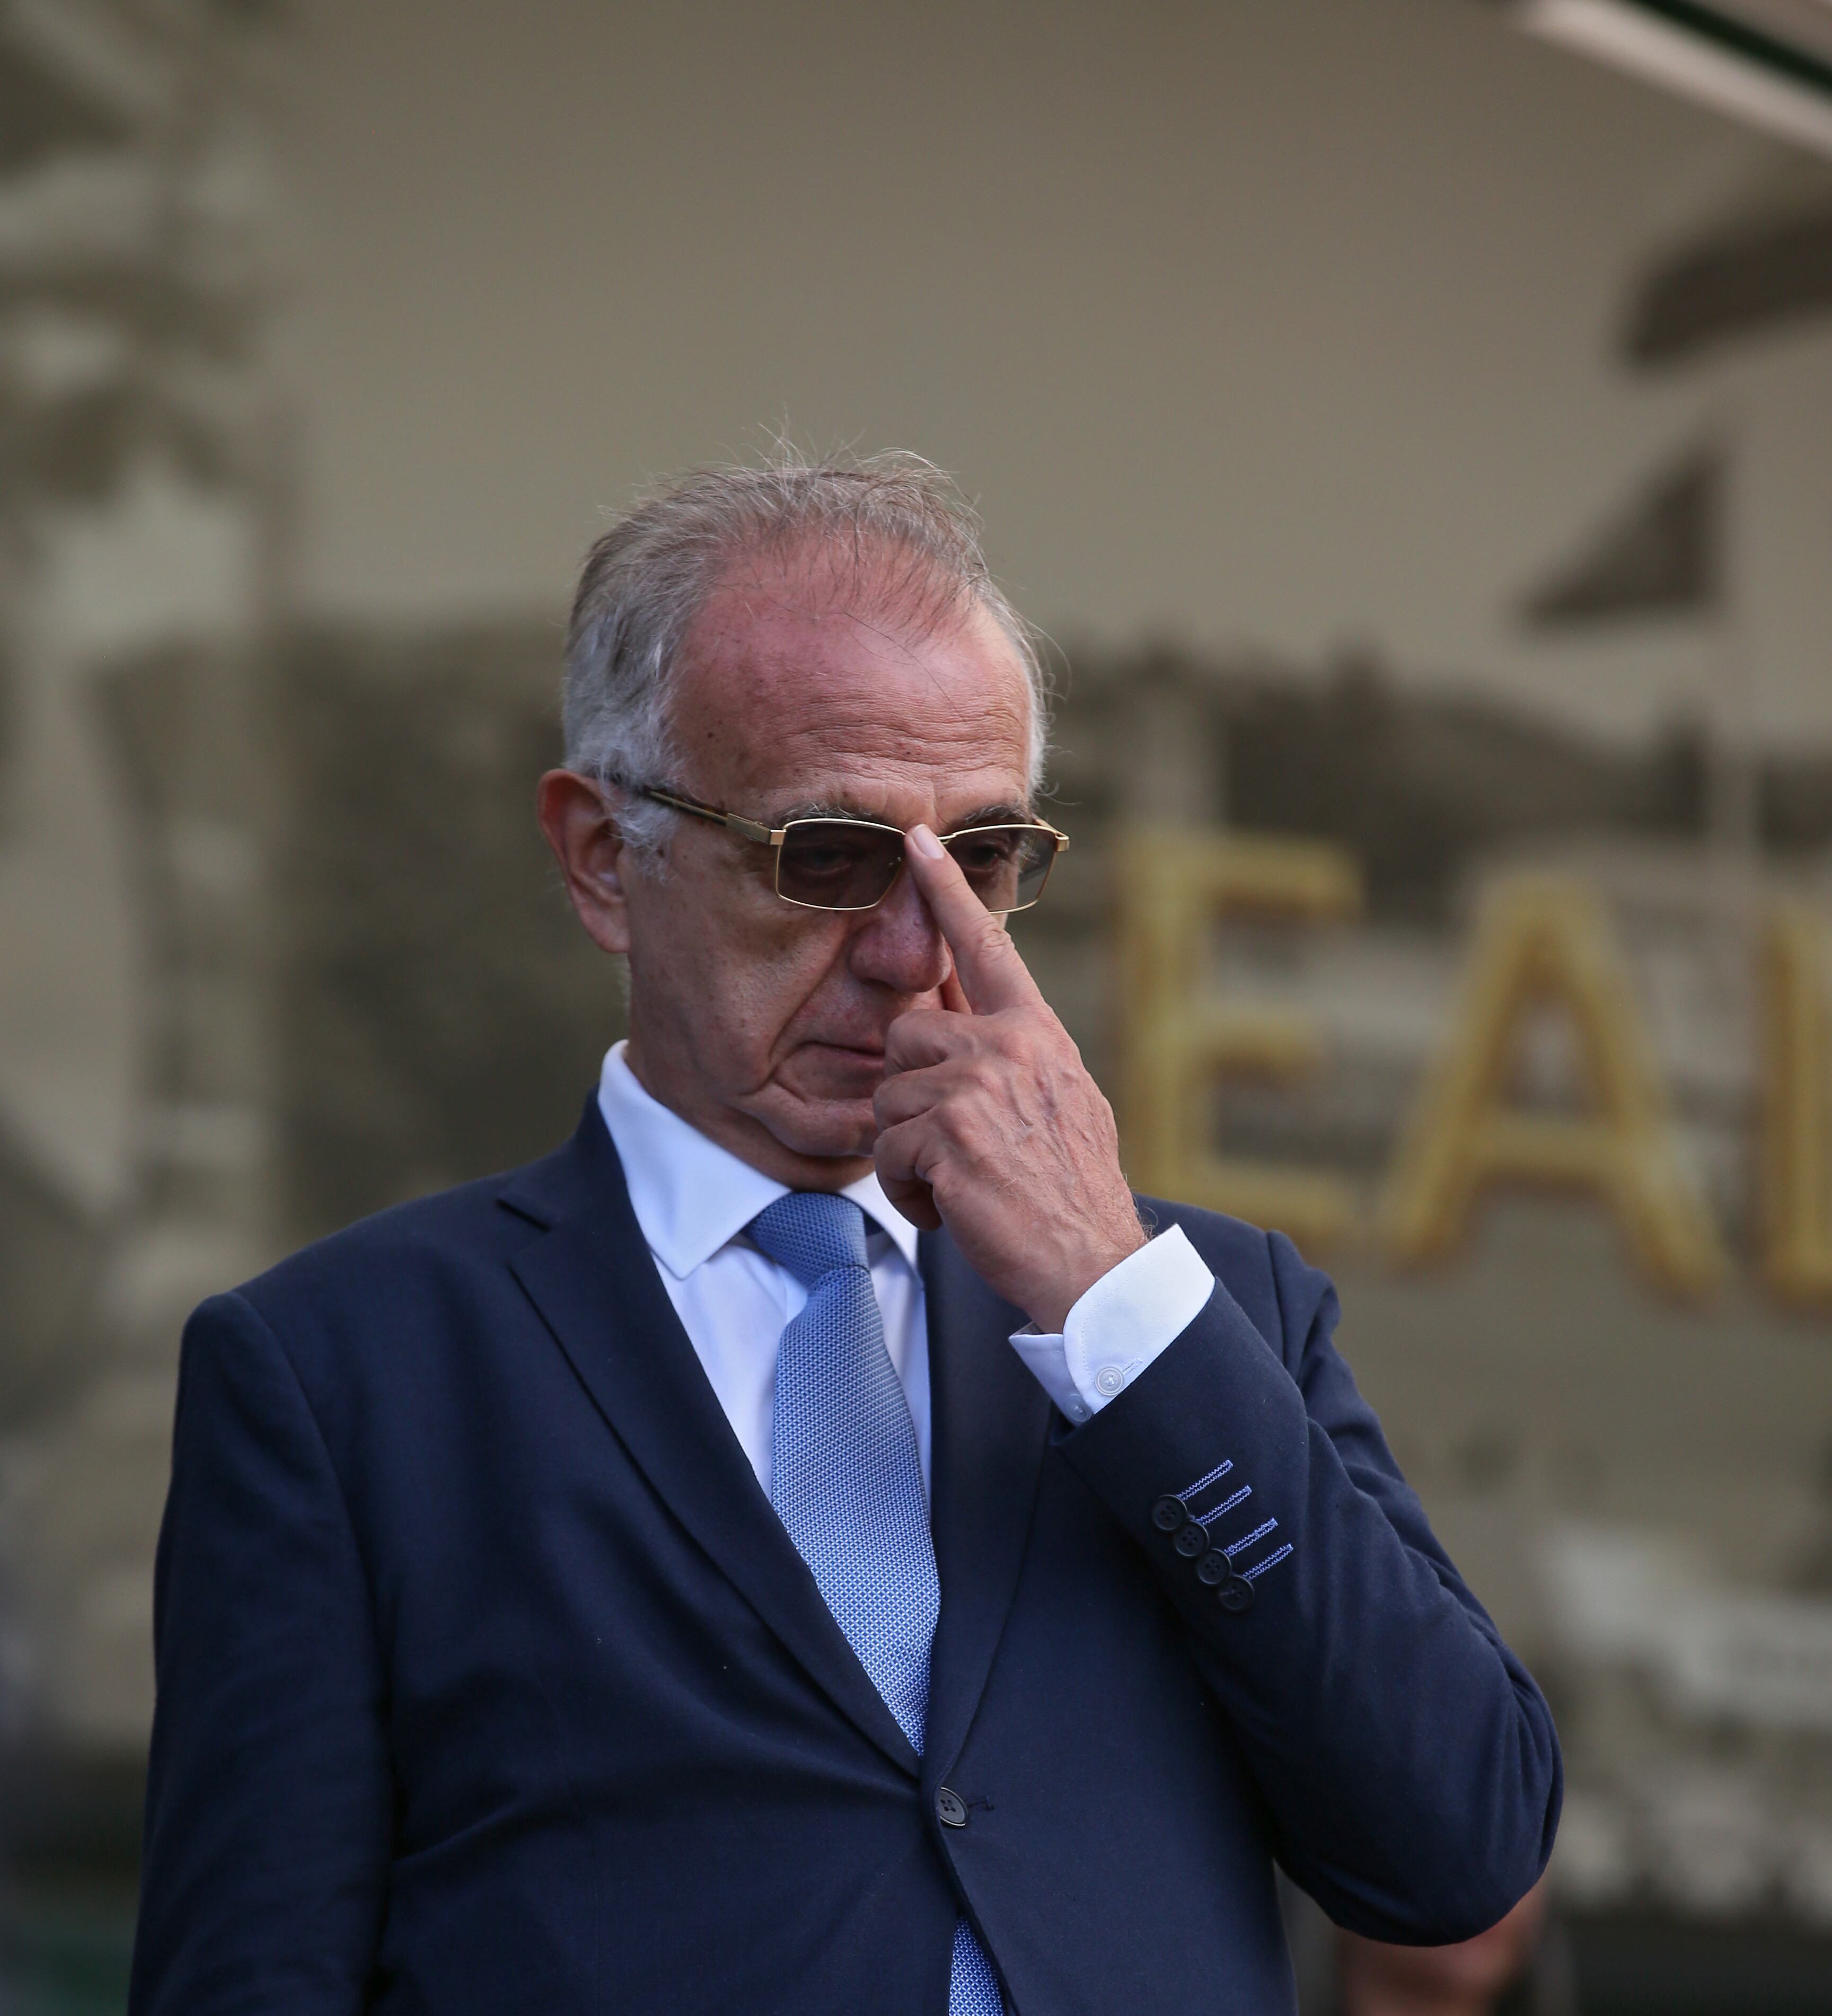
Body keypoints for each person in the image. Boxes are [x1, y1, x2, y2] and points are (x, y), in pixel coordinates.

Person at [129, 455, 1560, 2015]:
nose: (912, 952)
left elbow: (1459, 1844)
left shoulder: (1198, 1319)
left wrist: (1114, 1302)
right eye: (828, 855)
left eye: (985, 859)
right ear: (604, 857)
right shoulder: (342, 1375)